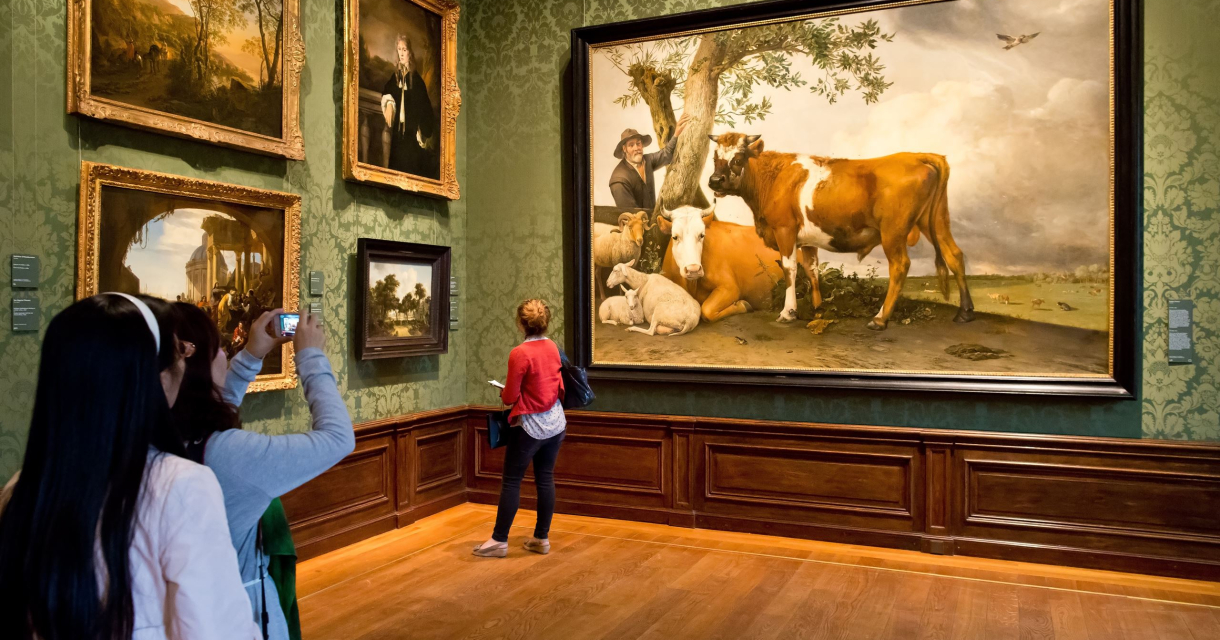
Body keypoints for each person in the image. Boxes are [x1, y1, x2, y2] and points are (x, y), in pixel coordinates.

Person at [0, 294, 258, 639]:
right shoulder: (179, 486)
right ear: (154, 379)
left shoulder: (22, 489)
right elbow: (219, 630)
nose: (185, 365)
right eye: (180, 353)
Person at [169, 303, 354, 640]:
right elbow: (338, 439)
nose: (226, 354)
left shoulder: (160, 432)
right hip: (237, 612)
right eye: (219, 348)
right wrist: (311, 357)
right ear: (194, 365)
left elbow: (208, 417)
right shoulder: (230, 455)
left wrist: (252, 355)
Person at [473, 299, 566, 558]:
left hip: (530, 426)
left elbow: (509, 397)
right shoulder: (553, 347)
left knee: (512, 482)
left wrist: (506, 389)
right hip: (556, 423)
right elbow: (557, 386)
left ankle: (499, 541)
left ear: (520, 323)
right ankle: (541, 538)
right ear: (546, 322)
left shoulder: (520, 353)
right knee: (545, 479)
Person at [381, 34, 438, 178]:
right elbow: (387, 91)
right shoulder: (395, 76)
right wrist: (388, 103)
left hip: (412, 137)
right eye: (399, 49)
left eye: (404, 49)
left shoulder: (417, 81)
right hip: (398, 135)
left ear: (410, 53)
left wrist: (422, 128)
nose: (401, 53)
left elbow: (425, 107)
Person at [608, 113, 690, 211]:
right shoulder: (619, 179)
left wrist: (676, 134)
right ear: (624, 149)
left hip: (652, 220)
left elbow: (667, 154)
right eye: (631, 145)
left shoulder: (647, 160)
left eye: (638, 144)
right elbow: (630, 214)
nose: (636, 148)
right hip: (635, 224)